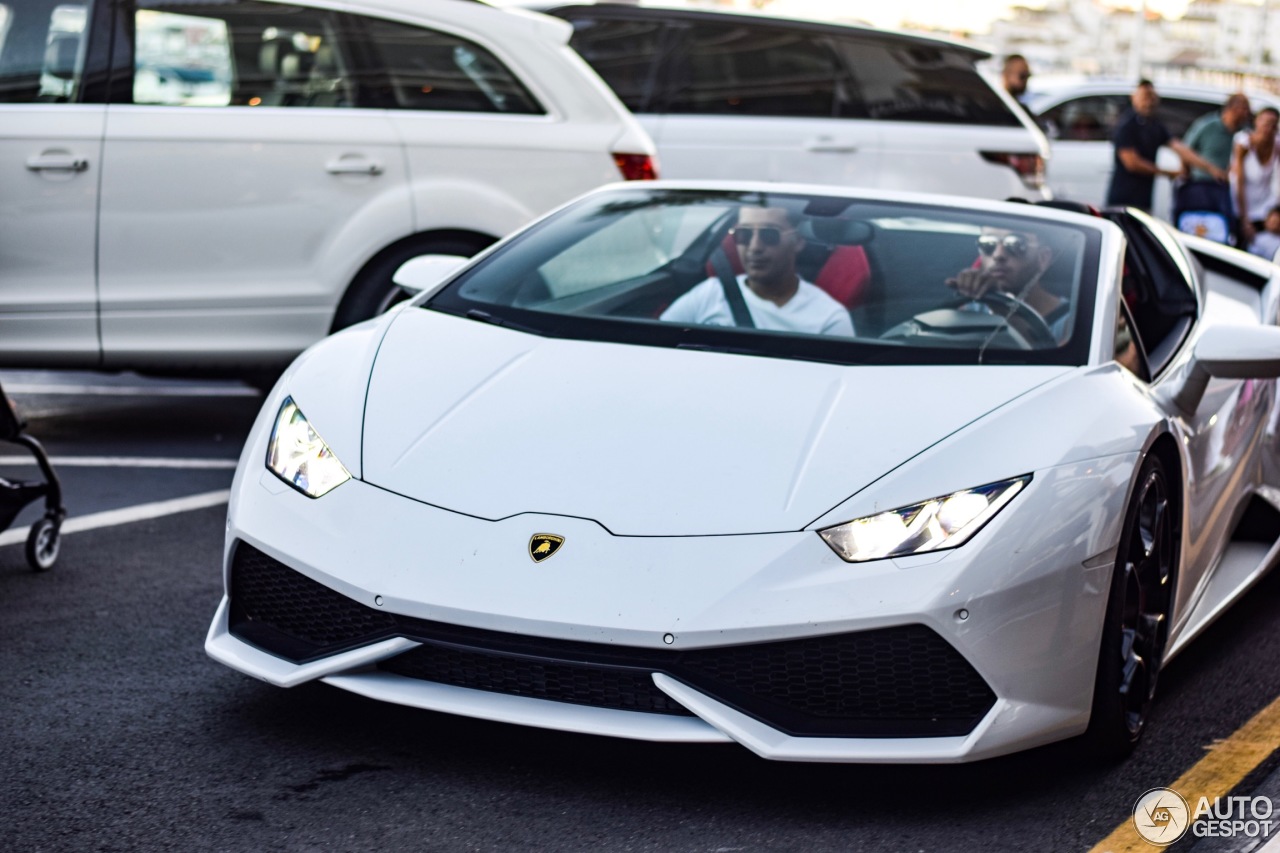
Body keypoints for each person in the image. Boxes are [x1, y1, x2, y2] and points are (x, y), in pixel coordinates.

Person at [660, 206, 854, 336]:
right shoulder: (709, 293)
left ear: (798, 241)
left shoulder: (830, 319)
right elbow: (658, 341)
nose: (754, 247)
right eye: (744, 234)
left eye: (769, 235)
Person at [1106, 80, 1228, 212]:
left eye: (1152, 98)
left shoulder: (1154, 125)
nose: (1148, 102)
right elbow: (1132, 163)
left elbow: (1180, 148)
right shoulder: (1127, 125)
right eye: (1144, 97)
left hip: (1143, 199)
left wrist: (1210, 168)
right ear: (1133, 98)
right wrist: (1168, 173)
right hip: (1123, 199)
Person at [945, 225, 1071, 342]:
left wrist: (1001, 306)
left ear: (1043, 257)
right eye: (988, 244)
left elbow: (1045, 360)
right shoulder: (971, 309)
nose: (998, 255)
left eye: (1015, 244)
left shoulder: (1071, 322)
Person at [1232, 107, 1280, 247]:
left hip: (1264, 208)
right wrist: (1244, 218)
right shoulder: (1244, 143)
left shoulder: (1276, 145)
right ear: (1256, 122)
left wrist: (1275, 211)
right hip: (1242, 204)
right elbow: (1238, 182)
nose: (1268, 128)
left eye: (1272, 124)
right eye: (1265, 122)